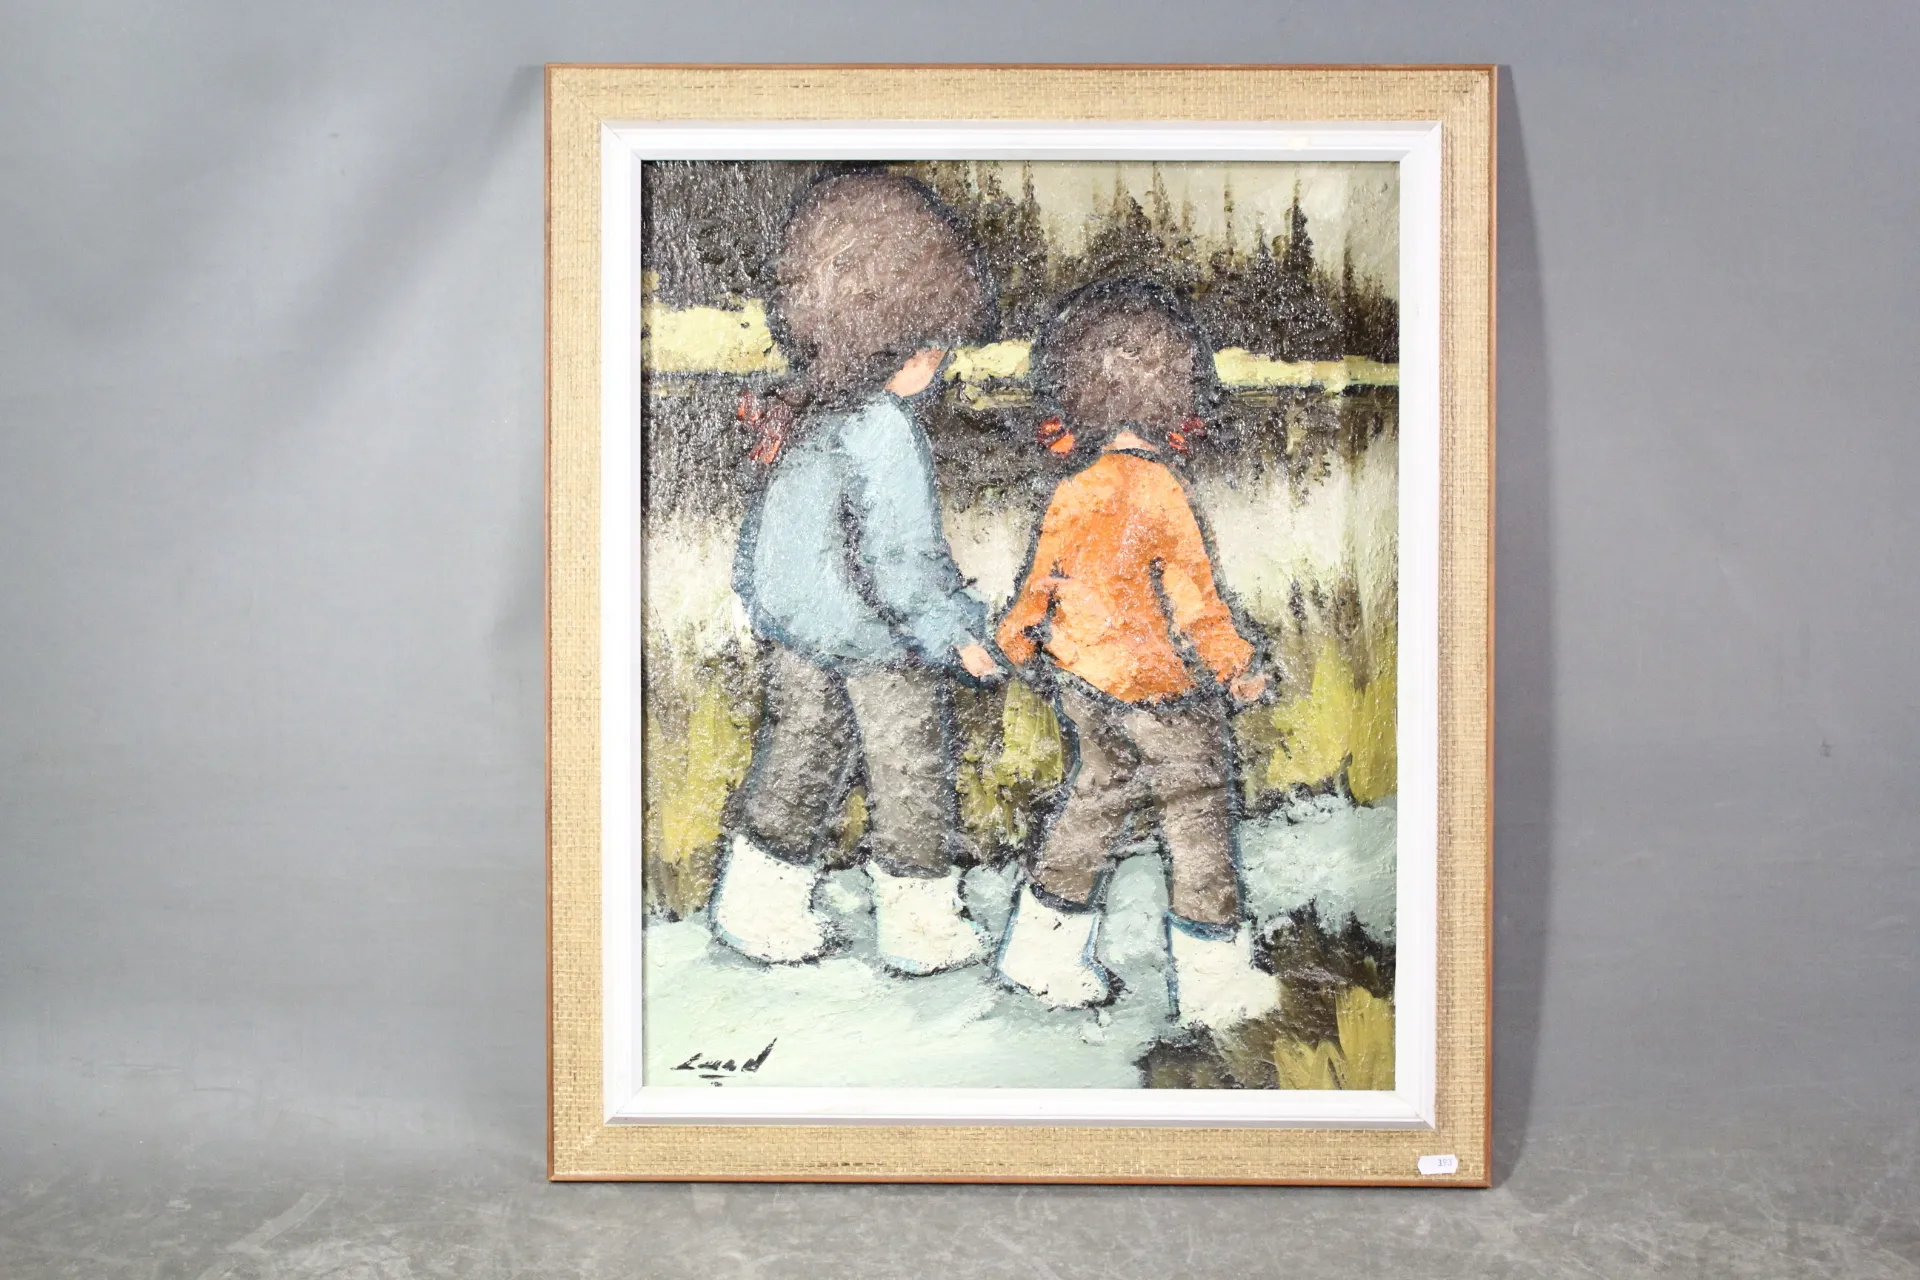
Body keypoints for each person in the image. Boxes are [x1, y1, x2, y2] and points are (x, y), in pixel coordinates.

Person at [711, 171, 1003, 976]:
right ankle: (921, 929)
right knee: (910, 772)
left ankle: (756, 907)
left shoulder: (811, 414)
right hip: (880, 643)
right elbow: (901, 560)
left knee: (799, 760)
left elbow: (764, 540)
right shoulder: (883, 427)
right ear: (905, 340)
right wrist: (958, 637)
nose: (939, 361)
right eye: (934, 344)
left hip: (800, 633)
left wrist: (765, 609)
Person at [993, 281, 1280, 1030]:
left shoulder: (1074, 488)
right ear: (1176, 394)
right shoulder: (1160, 491)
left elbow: (1039, 586)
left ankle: (1040, 953)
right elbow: (1196, 604)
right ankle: (1214, 985)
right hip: (1160, 689)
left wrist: (1013, 644)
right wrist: (1236, 668)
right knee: (1198, 814)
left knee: (1095, 798)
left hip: (1083, 681)